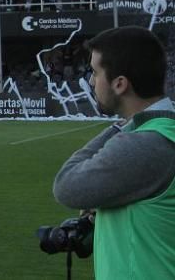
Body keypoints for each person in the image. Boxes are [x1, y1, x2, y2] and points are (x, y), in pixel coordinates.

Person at [52, 26, 175, 278]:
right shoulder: (165, 131)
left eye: (95, 73)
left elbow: (66, 186)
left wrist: (119, 127)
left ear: (119, 84)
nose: (91, 81)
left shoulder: (144, 143)